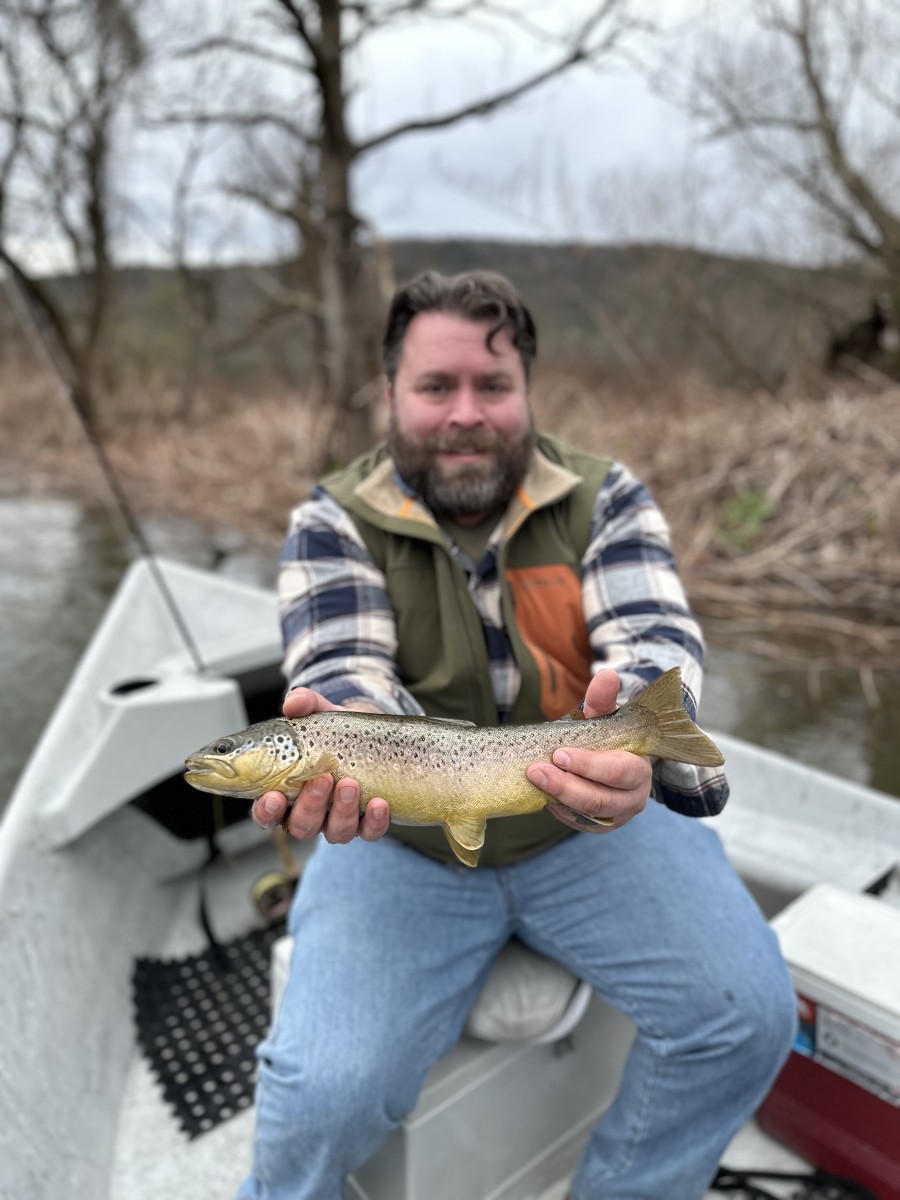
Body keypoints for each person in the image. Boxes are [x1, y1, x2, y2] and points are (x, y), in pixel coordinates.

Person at [238, 270, 796, 1200]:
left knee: (750, 1017)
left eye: (492, 387)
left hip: (586, 817)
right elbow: (341, 665)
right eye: (435, 387)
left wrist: (645, 742)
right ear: (390, 397)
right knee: (320, 1099)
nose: (465, 413)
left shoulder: (607, 498)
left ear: (527, 393)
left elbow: (654, 636)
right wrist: (346, 729)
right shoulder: (331, 520)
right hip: (401, 836)